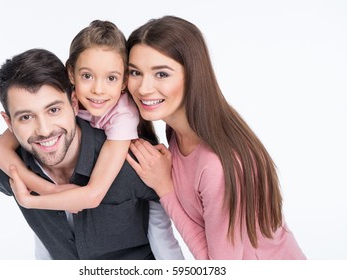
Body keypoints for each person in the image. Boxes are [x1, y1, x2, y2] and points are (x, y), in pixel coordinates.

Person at [125, 15, 306, 260]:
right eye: (135, 72)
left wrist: (164, 187)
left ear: (193, 75)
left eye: (162, 74)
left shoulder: (216, 165)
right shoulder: (177, 130)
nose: (144, 88)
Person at [0, 47, 183, 259]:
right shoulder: (7, 169)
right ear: (9, 123)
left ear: (73, 103)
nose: (44, 130)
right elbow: (44, 238)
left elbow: (164, 238)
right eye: (26, 117)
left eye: (53, 110)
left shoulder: (131, 162)